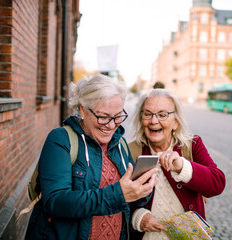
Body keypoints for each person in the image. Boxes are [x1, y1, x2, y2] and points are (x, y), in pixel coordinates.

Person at [25, 74, 158, 240]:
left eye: (117, 117)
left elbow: (131, 201)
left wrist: (143, 188)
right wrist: (118, 194)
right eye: (103, 116)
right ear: (82, 109)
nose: (111, 125)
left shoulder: (120, 144)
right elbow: (56, 201)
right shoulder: (61, 139)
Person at [128, 89, 226, 239]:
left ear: (175, 122)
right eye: (147, 114)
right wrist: (138, 217)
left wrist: (183, 167)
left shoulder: (192, 145)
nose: (154, 121)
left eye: (162, 115)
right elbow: (118, 200)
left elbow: (217, 183)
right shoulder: (130, 150)